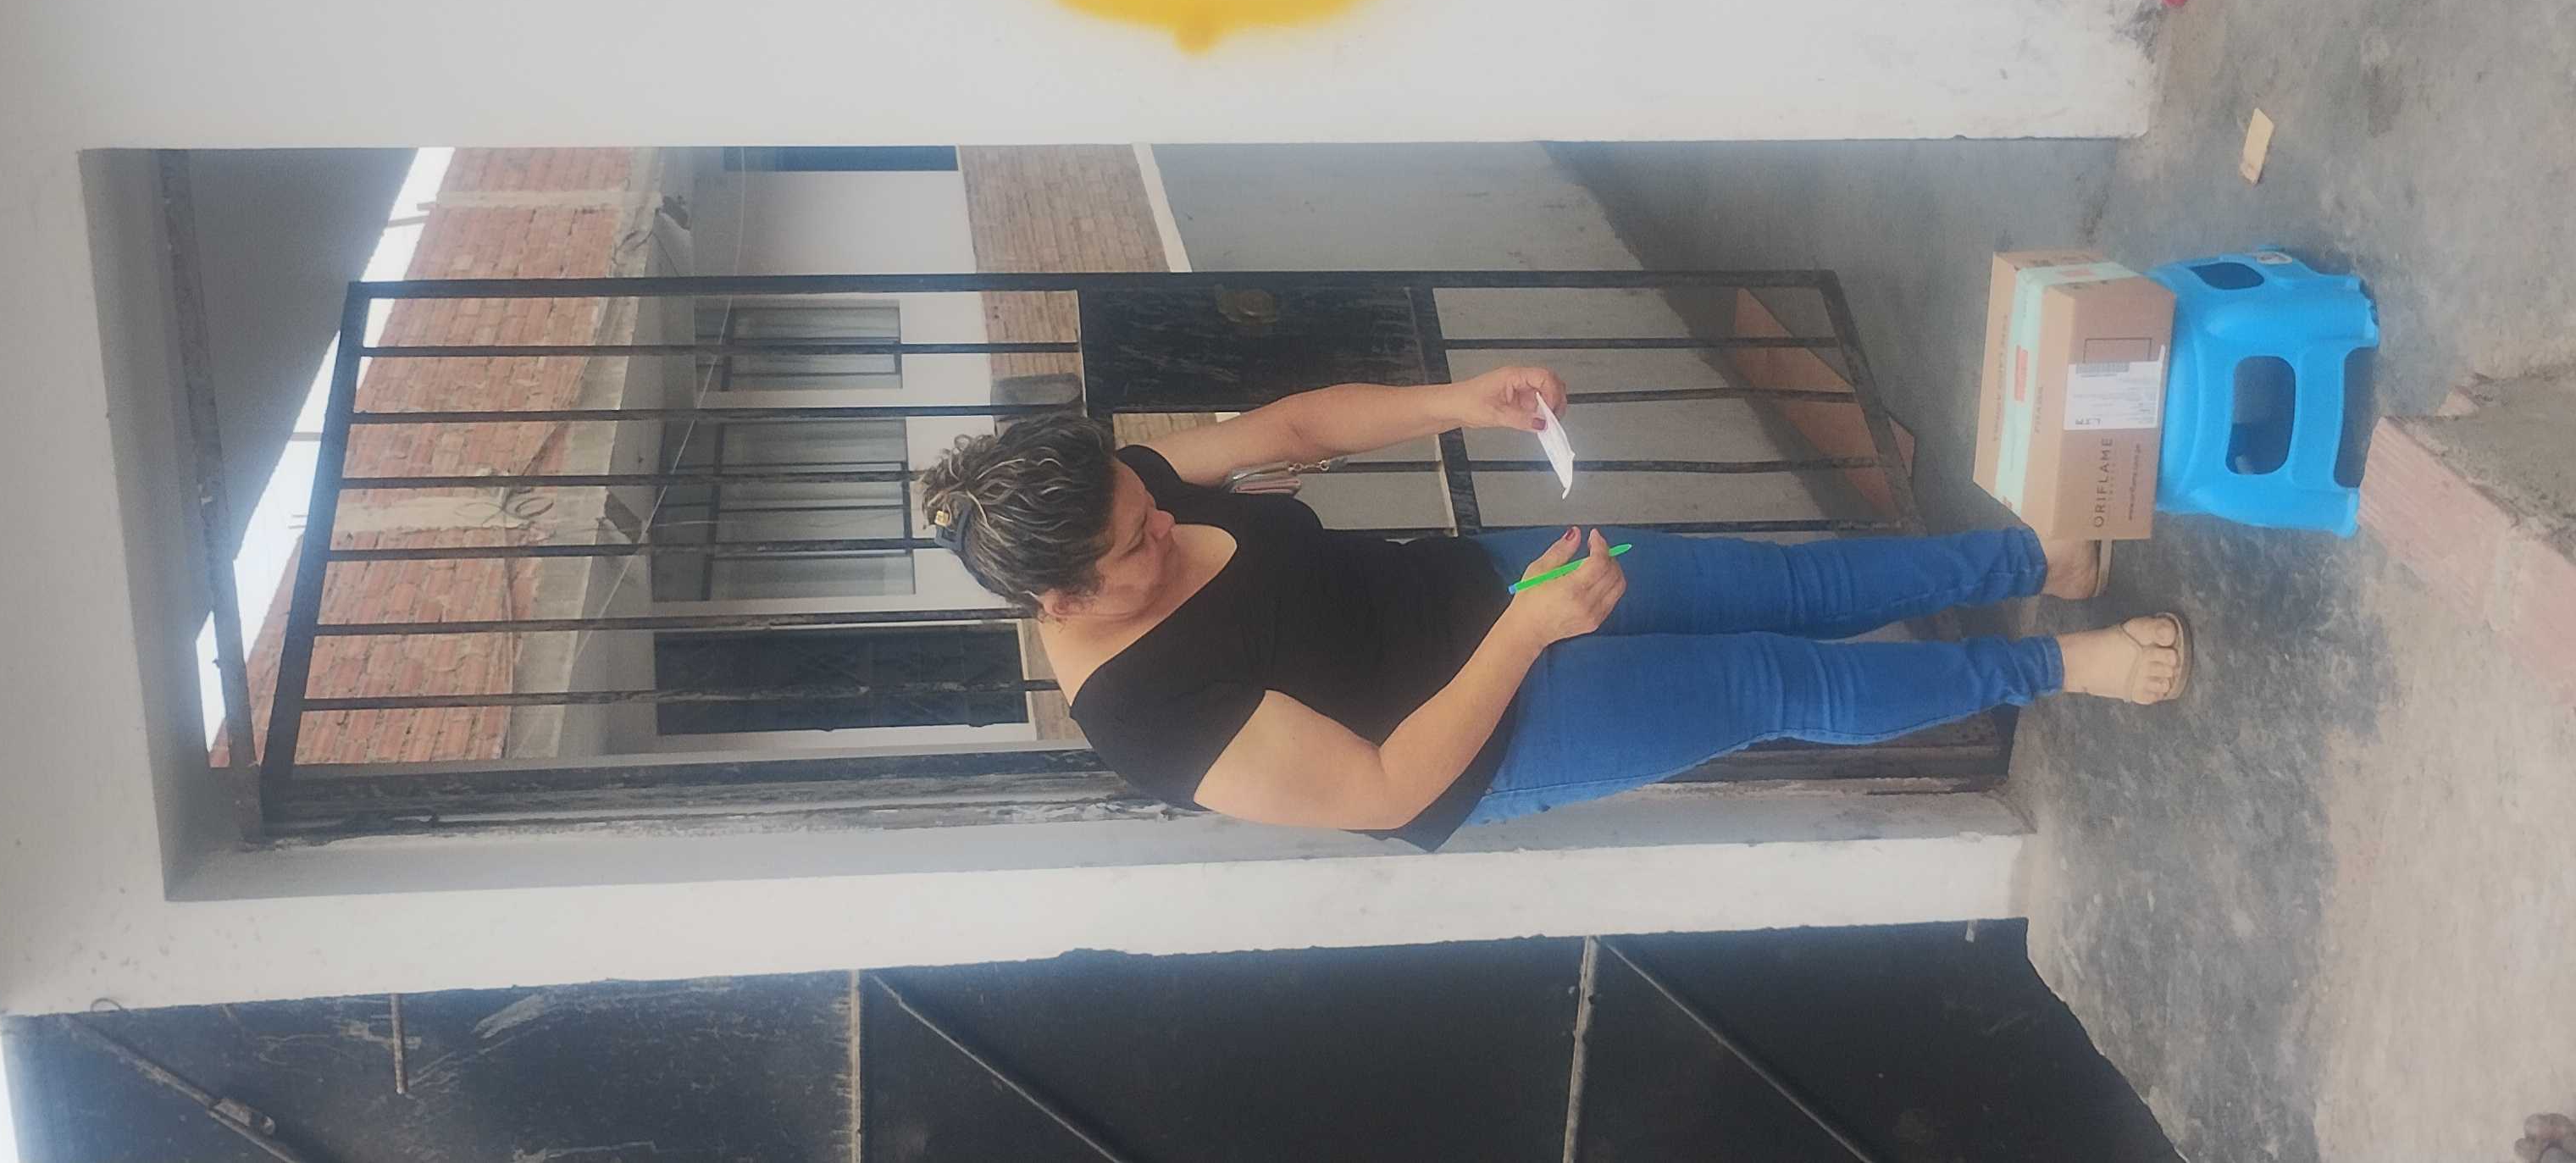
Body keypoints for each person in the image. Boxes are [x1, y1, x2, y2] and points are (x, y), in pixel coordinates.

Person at [918, 366, 2187, 849]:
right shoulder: (1142, 713)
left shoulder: (1120, 490)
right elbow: (1380, 790)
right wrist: (1527, 634)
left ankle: (2031, 563)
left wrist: (1460, 402)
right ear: (1063, 595)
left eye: (1145, 498)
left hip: (1480, 581)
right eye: (1135, 541)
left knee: (1780, 581)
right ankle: (2055, 670)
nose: (1160, 514)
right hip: (1491, 731)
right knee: (1771, 678)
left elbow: (1293, 429)